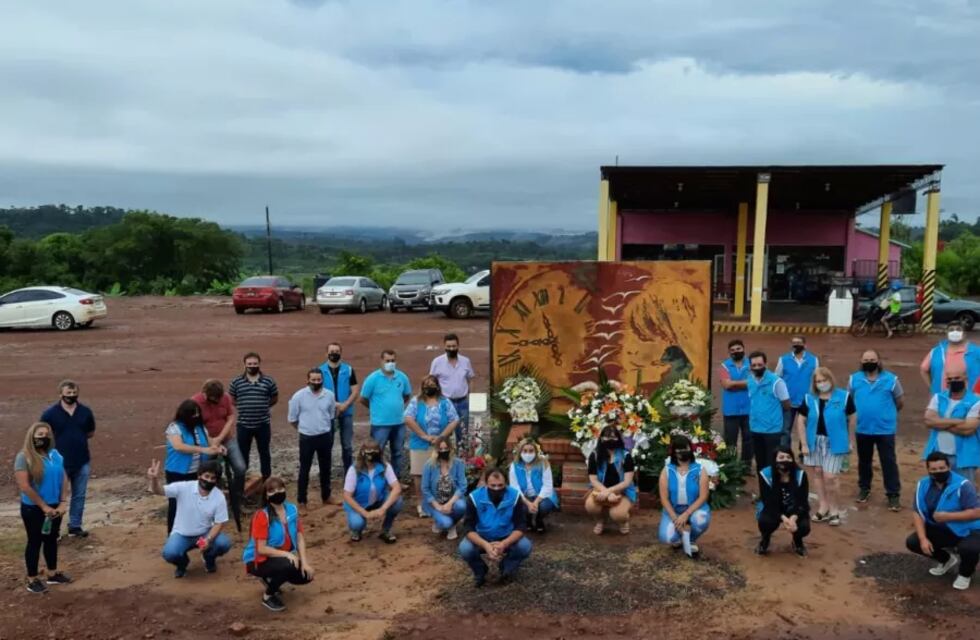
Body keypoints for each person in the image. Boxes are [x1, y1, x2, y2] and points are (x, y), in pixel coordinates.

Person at [906, 452, 980, 591]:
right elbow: (917, 512)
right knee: (913, 542)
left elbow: (977, 512)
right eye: (934, 469)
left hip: (971, 529)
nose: (938, 472)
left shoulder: (963, 485)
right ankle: (946, 560)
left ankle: (965, 574)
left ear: (949, 466)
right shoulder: (923, 484)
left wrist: (949, 516)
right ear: (928, 470)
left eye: (941, 468)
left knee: (969, 548)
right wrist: (923, 539)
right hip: (944, 529)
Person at [148, 459, 233, 578]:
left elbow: (219, 522)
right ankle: (182, 564)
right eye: (206, 476)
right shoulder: (184, 487)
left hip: (204, 534)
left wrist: (208, 540)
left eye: (213, 478)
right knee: (169, 553)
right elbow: (159, 491)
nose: (208, 480)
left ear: (216, 480)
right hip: (182, 534)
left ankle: (209, 558)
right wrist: (154, 479)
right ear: (199, 475)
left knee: (224, 543)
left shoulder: (219, 496)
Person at [14, 422, 72, 594]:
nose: (43, 438)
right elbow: (24, 486)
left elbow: (63, 477)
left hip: (55, 506)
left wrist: (62, 501)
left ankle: (52, 574)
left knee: (51, 539)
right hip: (34, 508)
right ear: (32, 437)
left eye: (46, 435)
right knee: (34, 541)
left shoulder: (55, 454)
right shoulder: (24, 457)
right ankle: (32, 579)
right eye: (39, 435)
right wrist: (44, 506)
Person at [242, 477, 314, 611]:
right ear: (266, 495)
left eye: (280, 488)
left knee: (306, 576)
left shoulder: (292, 509)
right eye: (272, 490)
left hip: (277, 557)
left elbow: (299, 537)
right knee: (288, 565)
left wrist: (304, 562)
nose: (278, 492)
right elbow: (261, 549)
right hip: (257, 559)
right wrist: (287, 554)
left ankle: (270, 578)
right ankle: (268, 596)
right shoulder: (262, 516)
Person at [796, 368, 855, 526]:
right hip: (814, 441)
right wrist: (803, 443)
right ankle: (824, 507)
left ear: (830, 379)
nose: (821, 384)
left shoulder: (843, 396)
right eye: (818, 381)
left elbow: (852, 417)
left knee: (831, 476)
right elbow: (801, 420)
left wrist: (850, 440)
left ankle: (834, 510)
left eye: (824, 380)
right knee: (817, 473)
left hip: (835, 442)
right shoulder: (809, 398)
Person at [849, 350, 904, 510]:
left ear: (879, 361)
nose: (869, 362)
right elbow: (850, 402)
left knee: (888, 462)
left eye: (872, 359)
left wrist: (886, 415)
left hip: (885, 429)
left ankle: (893, 494)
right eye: (866, 359)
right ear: (861, 361)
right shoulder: (854, 379)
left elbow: (899, 402)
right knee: (864, 461)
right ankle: (864, 488)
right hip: (862, 428)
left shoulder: (891, 380)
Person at [458, 467, 532, 587]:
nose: (497, 488)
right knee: (465, 549)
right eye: (493, 486)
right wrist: (485, 545)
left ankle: (507, 568)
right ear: (486, 484)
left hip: (506, 535)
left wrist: (504, 543)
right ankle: (480, 572)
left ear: (506, 483)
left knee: (524, 546)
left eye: (500, 485)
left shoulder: (515, 496)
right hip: (482, 536)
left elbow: (521, 525)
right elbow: (468, 527)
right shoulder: (474, 497)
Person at [39, 380, 95, 538]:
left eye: (74, 392)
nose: (71, 395)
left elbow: (90, 432)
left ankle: (75, 526)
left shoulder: (85, 412)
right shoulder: (50, 414)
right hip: (58, 463)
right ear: (60, 394)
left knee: (79, 495)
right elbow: (41, 433)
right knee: (56, 496)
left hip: (81, 460)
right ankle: (54, 530)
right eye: (68, 393)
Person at [164, 399, 222, 534]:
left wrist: (217, 447)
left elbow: (210, 442)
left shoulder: (200, 427)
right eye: (193, 415)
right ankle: (173, 534)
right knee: (176, 504)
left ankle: (195, 532)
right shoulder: (174, 428)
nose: (196, 418)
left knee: (197, 503)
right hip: (177, 472)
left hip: (196, 472)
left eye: (197, 414)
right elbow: (179, 446)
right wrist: (203, 450)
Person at [404, 375, 459, 517]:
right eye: (426, 384)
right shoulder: (416, 401)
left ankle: (441, 501)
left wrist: (442, 437)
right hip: (419, 443)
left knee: (441, 472)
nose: (429, 387)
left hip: (442, 444)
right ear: (422, 387)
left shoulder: (445, 402)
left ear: (438, 386)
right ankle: (421, 504)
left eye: (432, 384)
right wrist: (424, 435)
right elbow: (408, 418)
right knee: (419, 474)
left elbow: (454, 420)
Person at [288, 368, 337, 507]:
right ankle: (302, 501)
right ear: (308, 380)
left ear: (322, 380)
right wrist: (303, 429)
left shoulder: (329, 395)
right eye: (313, 380)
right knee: (304, 469)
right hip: (307, 438)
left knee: (326, 468)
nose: (316, 382)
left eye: (319, 380)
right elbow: (292, 418)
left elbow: (331, 414)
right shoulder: (299, 396)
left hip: (324, 436)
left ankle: (326, 496)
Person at [228, 352, 279, 486]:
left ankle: (267, 483)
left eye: (255, 364)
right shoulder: (236, 382)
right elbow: (232, 398)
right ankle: (241, 483)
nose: (252, 366)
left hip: (263, 425)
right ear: (244, 364)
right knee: (243, 455)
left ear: (259, 364)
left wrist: (264, 406)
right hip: (243, 425)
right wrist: (243, 406)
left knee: (265, 454)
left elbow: (274, 397)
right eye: (249, 364)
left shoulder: (268, 381)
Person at [360, 350, 412, 479]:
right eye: (387, 361)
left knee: (398, 453)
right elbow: (363, 398)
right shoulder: (372, 379)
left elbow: (406, 395)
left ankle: (395, 481)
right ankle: (377, 480)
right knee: (377, 452)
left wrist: (396, 407)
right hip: (380, 424)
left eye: (393, 361)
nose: (390, 363)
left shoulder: (402, 377)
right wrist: (376, 409)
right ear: (381, 361)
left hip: (399, 423)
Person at [658, 435, 711, 556]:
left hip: (694, 509)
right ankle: (679, 538)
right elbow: (664, 498)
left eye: (686, 448)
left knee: (701, 519)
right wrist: (675, 518)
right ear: (674, 452)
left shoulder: (700, 470)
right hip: (673, 510)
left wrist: (686, 514)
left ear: (691, 449)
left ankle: (691, 539)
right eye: (679, 449)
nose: (683, 452)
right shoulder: (666, 471)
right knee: (666, 537)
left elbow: (703, 496)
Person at [342, 440, 404, 543]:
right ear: (362, 452)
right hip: (359, 503)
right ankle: (356, 530)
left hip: (378, 500)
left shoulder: (385, 467)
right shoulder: (354, 469)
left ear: (379, 452)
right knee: (357, 523)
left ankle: (386, 529)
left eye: (374, 451)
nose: (371, 454)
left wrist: (383, 508)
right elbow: (347, 495)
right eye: (368, 451)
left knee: (398, 502)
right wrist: (364, 513)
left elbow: (397, 488)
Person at [747, 351, 792, 492]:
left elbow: (786, 404)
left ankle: (776, 493)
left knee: (772, 464)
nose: (757, 367)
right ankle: (764, 494)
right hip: (755, 429)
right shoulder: (750, 380)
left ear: (765, 364)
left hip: (772, 431)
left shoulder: (776, 382)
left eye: (759, 364)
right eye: (754, 365)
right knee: (760, 464)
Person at [923, 373, 980, 484]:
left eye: (957, 377)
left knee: (964, 491)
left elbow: (968, 429)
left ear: (966, 380)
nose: (953, 380)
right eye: (949, 379)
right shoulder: (938, 397)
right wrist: (956, 421)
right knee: (938, 489)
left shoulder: (976, 401)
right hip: (938, 455)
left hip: (964, 457)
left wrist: (939, 423)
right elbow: (928, 421)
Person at [756, 447, 811, 557]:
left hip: (794, 508)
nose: (785, 460)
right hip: (773, 508)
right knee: (765, 521)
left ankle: (797, 541)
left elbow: (802, 501)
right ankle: (765, 539)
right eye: (781, 457)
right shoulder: (765, 475)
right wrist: (784, 518)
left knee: (804, 526)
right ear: (774, 460)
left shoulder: (801, 475)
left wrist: (793, 518)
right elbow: (767, 501)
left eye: (788, 457)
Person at [585, 426, 637, 535]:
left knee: (618, 514)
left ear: (618, 438)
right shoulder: (594, 456)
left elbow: (627, 481)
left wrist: (609, 492)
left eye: (613, 437)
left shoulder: (626, 456)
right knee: (590, 505)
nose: (610, 440)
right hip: (600, 490)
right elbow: (593, 480)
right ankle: (600, 521)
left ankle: (623, 521)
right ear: (601, 439)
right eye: (607, 437)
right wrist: (606, 493)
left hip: (622, 492)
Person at [429, 333, 476, 451]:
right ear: (444, 346)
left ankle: (463, 459)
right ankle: (442, 458)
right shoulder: (437, 362)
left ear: (458, 346)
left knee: (463, 434)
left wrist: (470, 396)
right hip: (445, 403)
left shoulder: (466, 361)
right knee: (444, 434)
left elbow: (471, 379)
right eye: (448, 346)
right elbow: (431, 381)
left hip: (462, 402)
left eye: (454, 346)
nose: (451, 349)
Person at [318, 342, 360, 473]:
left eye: (337, 351)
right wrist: (337, 405)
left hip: (346, 412)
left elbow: (355, 390)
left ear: (341, 353)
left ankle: (349, 474)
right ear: (326, 353)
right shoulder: (320, 370)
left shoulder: (348, 369)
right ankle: (326, 474)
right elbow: (319, 391)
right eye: (332, 351)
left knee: (347, 446)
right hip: (327, 413)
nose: (334, 353)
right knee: (326, 445)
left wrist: (345, 405)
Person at [509, 438, 559, 533]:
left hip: (541, 496)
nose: (528, 453)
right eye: (525, 451)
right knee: (521, 506)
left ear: (536, 452)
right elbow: (514, 487)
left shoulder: (543, 463)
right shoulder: (514, 465)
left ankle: (539, 520)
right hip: (524, 496)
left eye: (531, 451)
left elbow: (547, 486)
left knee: (544, 506)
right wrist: (528, 503)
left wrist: (535, 502)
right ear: (520, 452)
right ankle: (527, 521)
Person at [422, 437, 468, 540]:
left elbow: (462, 485)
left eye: (446, 448)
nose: (443, 451)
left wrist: (450, 503)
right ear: (436, 450)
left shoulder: (458, 463)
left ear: (450, 449)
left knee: (461, 506)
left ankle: (453, 524)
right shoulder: (429, 465)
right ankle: (445, 523)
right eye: (440, 449)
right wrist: (438, 506)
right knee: (445, 523)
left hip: (452, 500)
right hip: (435, 502)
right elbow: (425, 488)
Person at [774, 336, 818, 443]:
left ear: (805, 345)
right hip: (788, 401)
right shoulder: (783, 359)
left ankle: (804, 454)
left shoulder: (814, 360)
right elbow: (776, 379)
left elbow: (816, 379)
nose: (796, 344)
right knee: (785, 429)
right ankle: (785, 453)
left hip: (806, 401)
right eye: (794, 342)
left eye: (799, 342)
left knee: (807, 429)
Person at [719, 338, 753, 469]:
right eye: (732, 350)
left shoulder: (751, 364)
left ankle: (746, 466)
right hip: (731, 410)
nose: (736, 352)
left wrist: (734, 383)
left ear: (743, 349)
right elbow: (726, 384)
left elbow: (754, 382)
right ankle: (731, 466)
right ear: (729, 352)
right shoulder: (724, 366)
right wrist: (745, 383)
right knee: (730, 441)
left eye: (738, 349)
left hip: (749, 409)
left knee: (749, 440)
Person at [920, 321, 980, 395]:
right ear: (947, 334)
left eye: (958, 329)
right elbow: (923, 369)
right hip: (942, 396)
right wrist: (932, 389)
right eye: (951, 330)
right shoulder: (937, 351)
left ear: (964, 333)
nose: (955, 332)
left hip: (969, 397)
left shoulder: (976, 351)